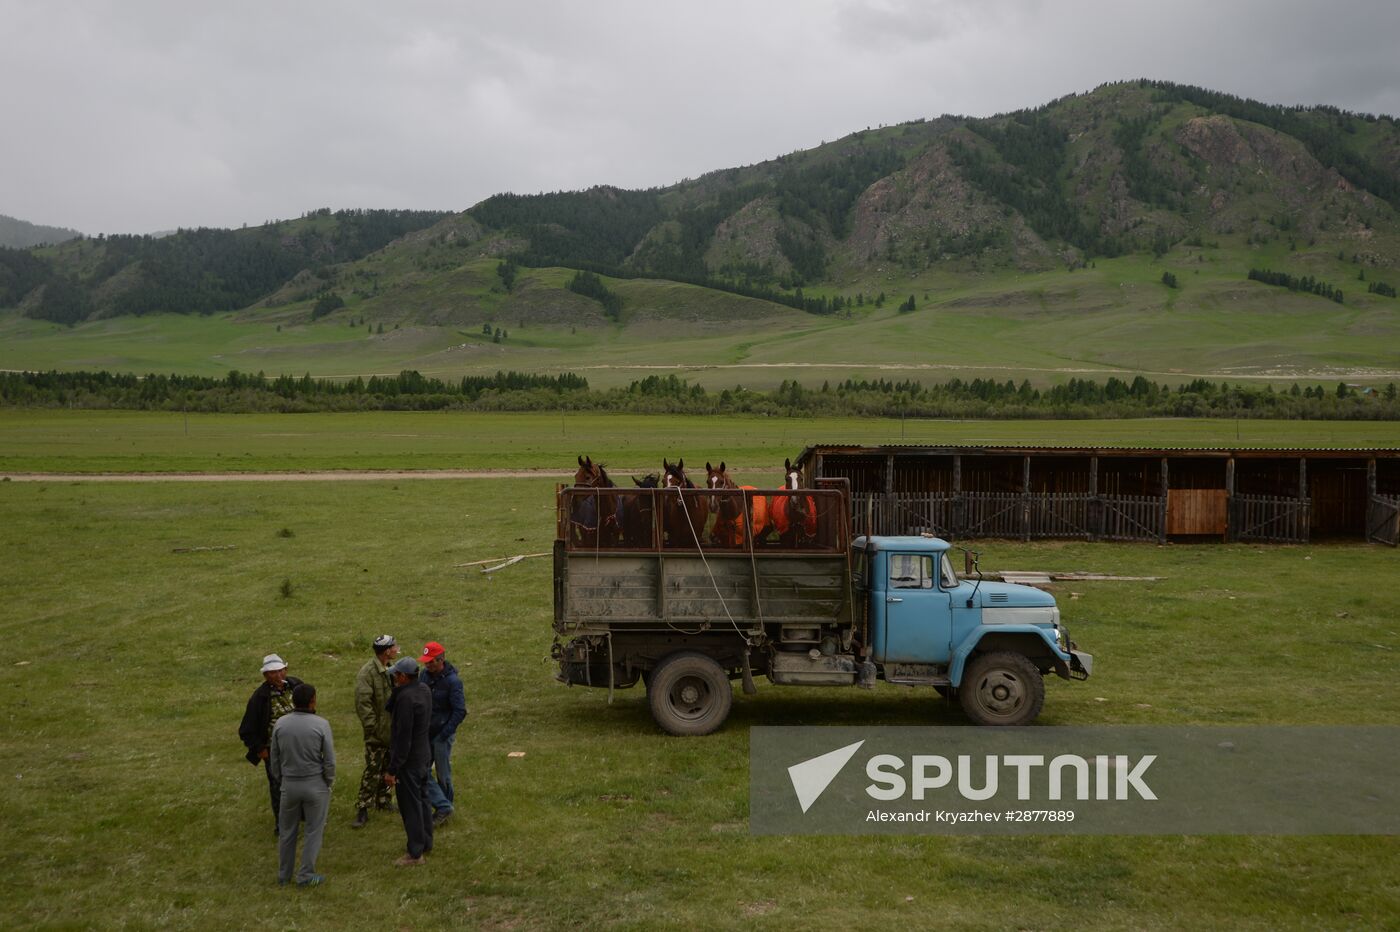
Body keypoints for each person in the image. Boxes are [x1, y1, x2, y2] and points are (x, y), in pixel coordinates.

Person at [269, 683, 335, 887]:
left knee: (287, 831)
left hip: (289, 784)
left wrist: (282, 779)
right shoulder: (321, 724)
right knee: (313, 830)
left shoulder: (281, 724)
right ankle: (305, 875)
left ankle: (284, 875)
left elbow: (274, 757)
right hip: (315, 784)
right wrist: (328, 781)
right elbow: (329, 760)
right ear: (313, 700)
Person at [239, 654, 304, 834]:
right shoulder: (260, 697)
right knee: (279, 787)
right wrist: (260, 749)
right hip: (275, 750)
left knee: (303, 781)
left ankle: (302, 815)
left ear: (286, 670)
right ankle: (282, 824)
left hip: (300, 747)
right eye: (272, 672)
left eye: (280, 670)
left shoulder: (297, 685)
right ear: (266, 676)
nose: (277, 675)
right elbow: (247, 729)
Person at [384, 655, 433, 866]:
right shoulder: (424, 690)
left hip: (409, 761)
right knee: (423, 800)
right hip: (424, 755)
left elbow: (403, 737)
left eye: (396, 675)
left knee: (410, 806)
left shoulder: (405, 700)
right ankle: (426, 841)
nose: (394, 679)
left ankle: (415, 853)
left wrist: (392, 769)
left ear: (403, 676)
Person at [351, 634, 399, 828]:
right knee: (372, 770)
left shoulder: (392, 669)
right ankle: (363, 808)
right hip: (377, 733)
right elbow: (363, 704)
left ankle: (383, 800)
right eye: (394, 647)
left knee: (389, 766)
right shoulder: (367, 673)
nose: (397, 649)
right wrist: (373, 728)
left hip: (392, 730)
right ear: (387, 651)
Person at [418, 641, 467, 827]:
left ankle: (444, 808)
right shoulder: (424, 676)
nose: (427, 665)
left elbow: (460, 711)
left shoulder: (453, 682)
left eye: (431, 662)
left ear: (442, 659)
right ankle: (443, 805)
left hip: (441, 735)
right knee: (422, 770)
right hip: (426, 733)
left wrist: (445, 733)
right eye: (426, 662)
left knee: (443, 774)